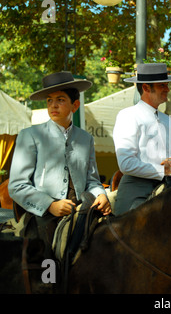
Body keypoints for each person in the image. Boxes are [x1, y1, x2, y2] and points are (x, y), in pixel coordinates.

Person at [8, 71, 110, 255]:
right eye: (49, 100)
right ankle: (49, 282)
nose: (53, 105)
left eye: (60, 100)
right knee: (47, 265)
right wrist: (49, 205)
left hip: (80, 211)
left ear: (75, 105)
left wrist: (101, 195)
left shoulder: (85, 138)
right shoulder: (30, 135)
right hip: (42, 215)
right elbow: (16, 185)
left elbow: (92, 180)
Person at [113, 63, 171, 215]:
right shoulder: (128, 115)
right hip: (136, 192)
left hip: (168, 190)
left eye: (167, 85)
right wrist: (166, 170)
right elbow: (126, 164)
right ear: (146, 88)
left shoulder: (168, 120)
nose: (167, 89)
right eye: (162, 85)